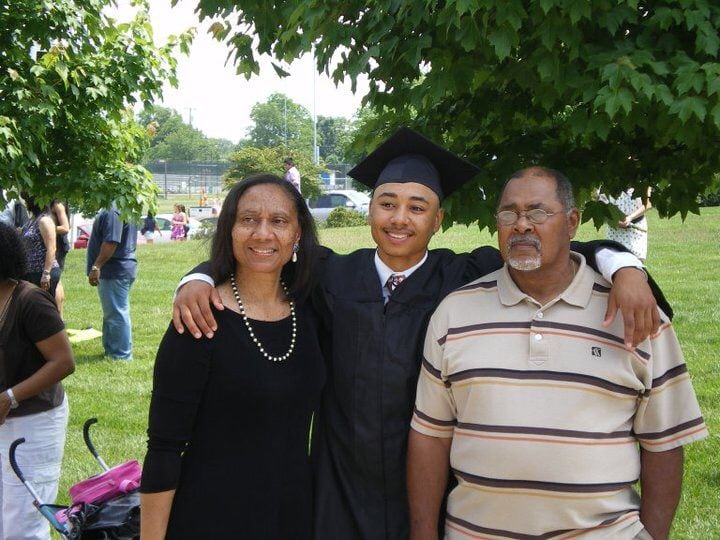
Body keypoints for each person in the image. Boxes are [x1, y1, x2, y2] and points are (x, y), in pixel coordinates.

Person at [172, 128, 667, 539]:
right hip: (338, 492)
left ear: (438, 220)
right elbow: (261, 250)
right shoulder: (328, 277)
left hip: (433, 491)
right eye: (387, 204)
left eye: (416, 206)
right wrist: (197, 277)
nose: (399, 219)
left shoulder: (465, 274)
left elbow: (561, 246)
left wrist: (624, 267)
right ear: (370, 211)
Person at [407, 167, 707, 539]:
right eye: (508, 213)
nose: (521, 225)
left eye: (537, 212)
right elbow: (431, 436)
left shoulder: (636, 315)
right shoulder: (455, 312)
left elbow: (663, 442)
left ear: (572, 222)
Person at [140, 175, 325, 539]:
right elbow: (164, 449)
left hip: (292, 516)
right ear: (229, 229)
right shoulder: (199, 320)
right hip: (211, 518)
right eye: (248, 219)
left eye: (279, 221)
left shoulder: (311, 308)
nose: (262, 233)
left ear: (298, 233)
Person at [0, 221, 75, 540]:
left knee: (23, 522)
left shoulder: (29, 300)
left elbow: (63, 362)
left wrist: (9, 397)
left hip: (33, 421)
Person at [86, 203, 137, 361]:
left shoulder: (112, 210)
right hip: (115, 271)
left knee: (116, 314)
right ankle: (111, 350)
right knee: (111, 313)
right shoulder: (119, 205)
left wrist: (96, 266)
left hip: (114, 270)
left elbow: (111, 242)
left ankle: (121, 355)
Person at [20, 193, 61, 298]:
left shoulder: (45, 220)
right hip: (31, 272)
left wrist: (46, 273)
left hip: (42, 272)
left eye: (27, 201)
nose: (25, 203)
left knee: (44, 308)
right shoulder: (32, 221)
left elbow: (51, 248)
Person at [604, 187, 653, 262]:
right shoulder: (609, 182)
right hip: (615, 231)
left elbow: (648, 204)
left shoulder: (642, 181)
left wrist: (630, 217)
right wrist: (615, 221)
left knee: (637, 262)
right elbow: (602, 207)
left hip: (637, 230)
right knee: (615, 262)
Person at [50, 199, 70, 319]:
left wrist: (43, 228)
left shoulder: (57, 204)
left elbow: (65, 227)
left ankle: (59, 317)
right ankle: (59, 318)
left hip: (58, 246)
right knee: (58, 281)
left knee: (56, 280)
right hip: (53, 243)